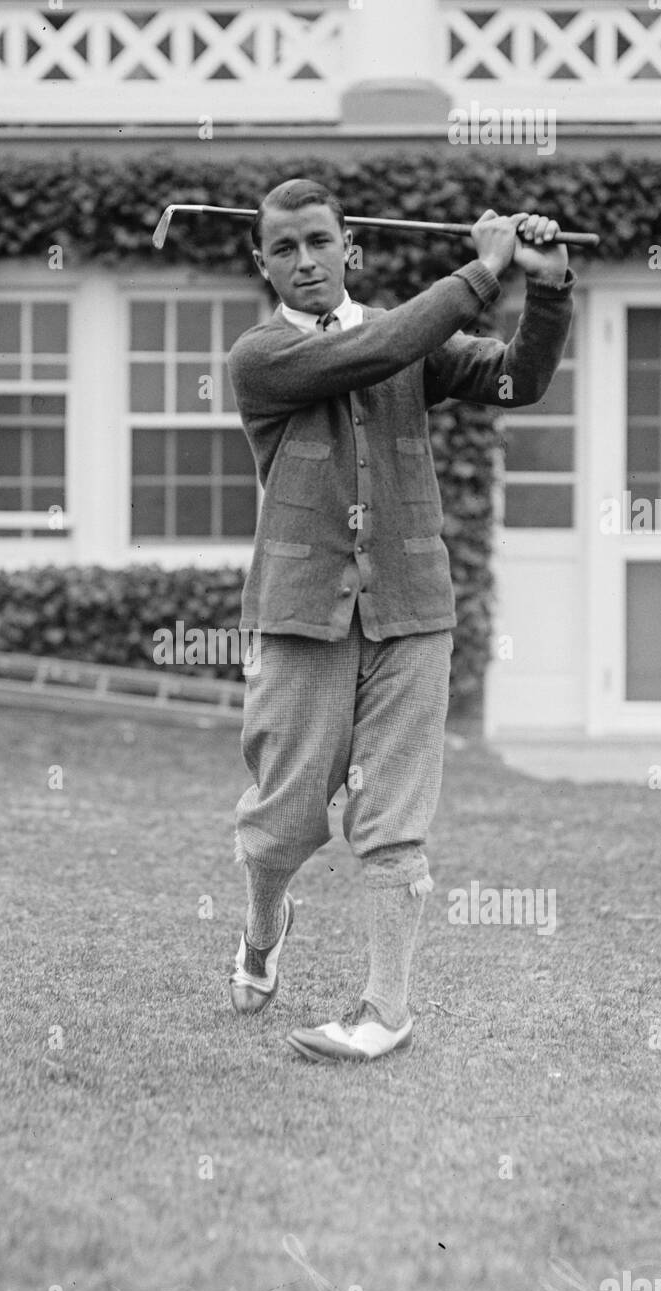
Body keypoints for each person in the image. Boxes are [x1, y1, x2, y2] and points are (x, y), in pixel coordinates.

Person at [225, 178, 575, 1063]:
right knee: (281, 823)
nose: (303, 261)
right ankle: (265, 927)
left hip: (411, 612)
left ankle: (384, 1011)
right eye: (283, 248)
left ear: (350, 248)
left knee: (394, 822)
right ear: (259, 262)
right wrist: (480, 268)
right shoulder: (261, 356)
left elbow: (515, 378)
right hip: (303, 618)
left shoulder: (407, 334)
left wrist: (548, 285)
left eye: (318, 242)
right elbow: (374, 349)